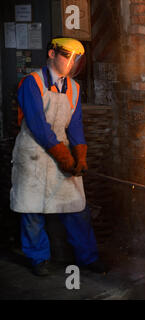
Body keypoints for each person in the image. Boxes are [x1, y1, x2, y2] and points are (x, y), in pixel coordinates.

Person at [11, 37, 106, 276]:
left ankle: (88, 257)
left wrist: (80, 155)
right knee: (31, 209)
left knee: (76, 207)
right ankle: (39, 258)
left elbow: (75, 126)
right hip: (33, 153)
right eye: (68, 57)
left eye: (77, 60)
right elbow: (38, 126)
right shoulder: (31, 83)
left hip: (59, 150)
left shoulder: (73, 88)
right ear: (52, 54)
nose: (72, 64)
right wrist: (64, 157)